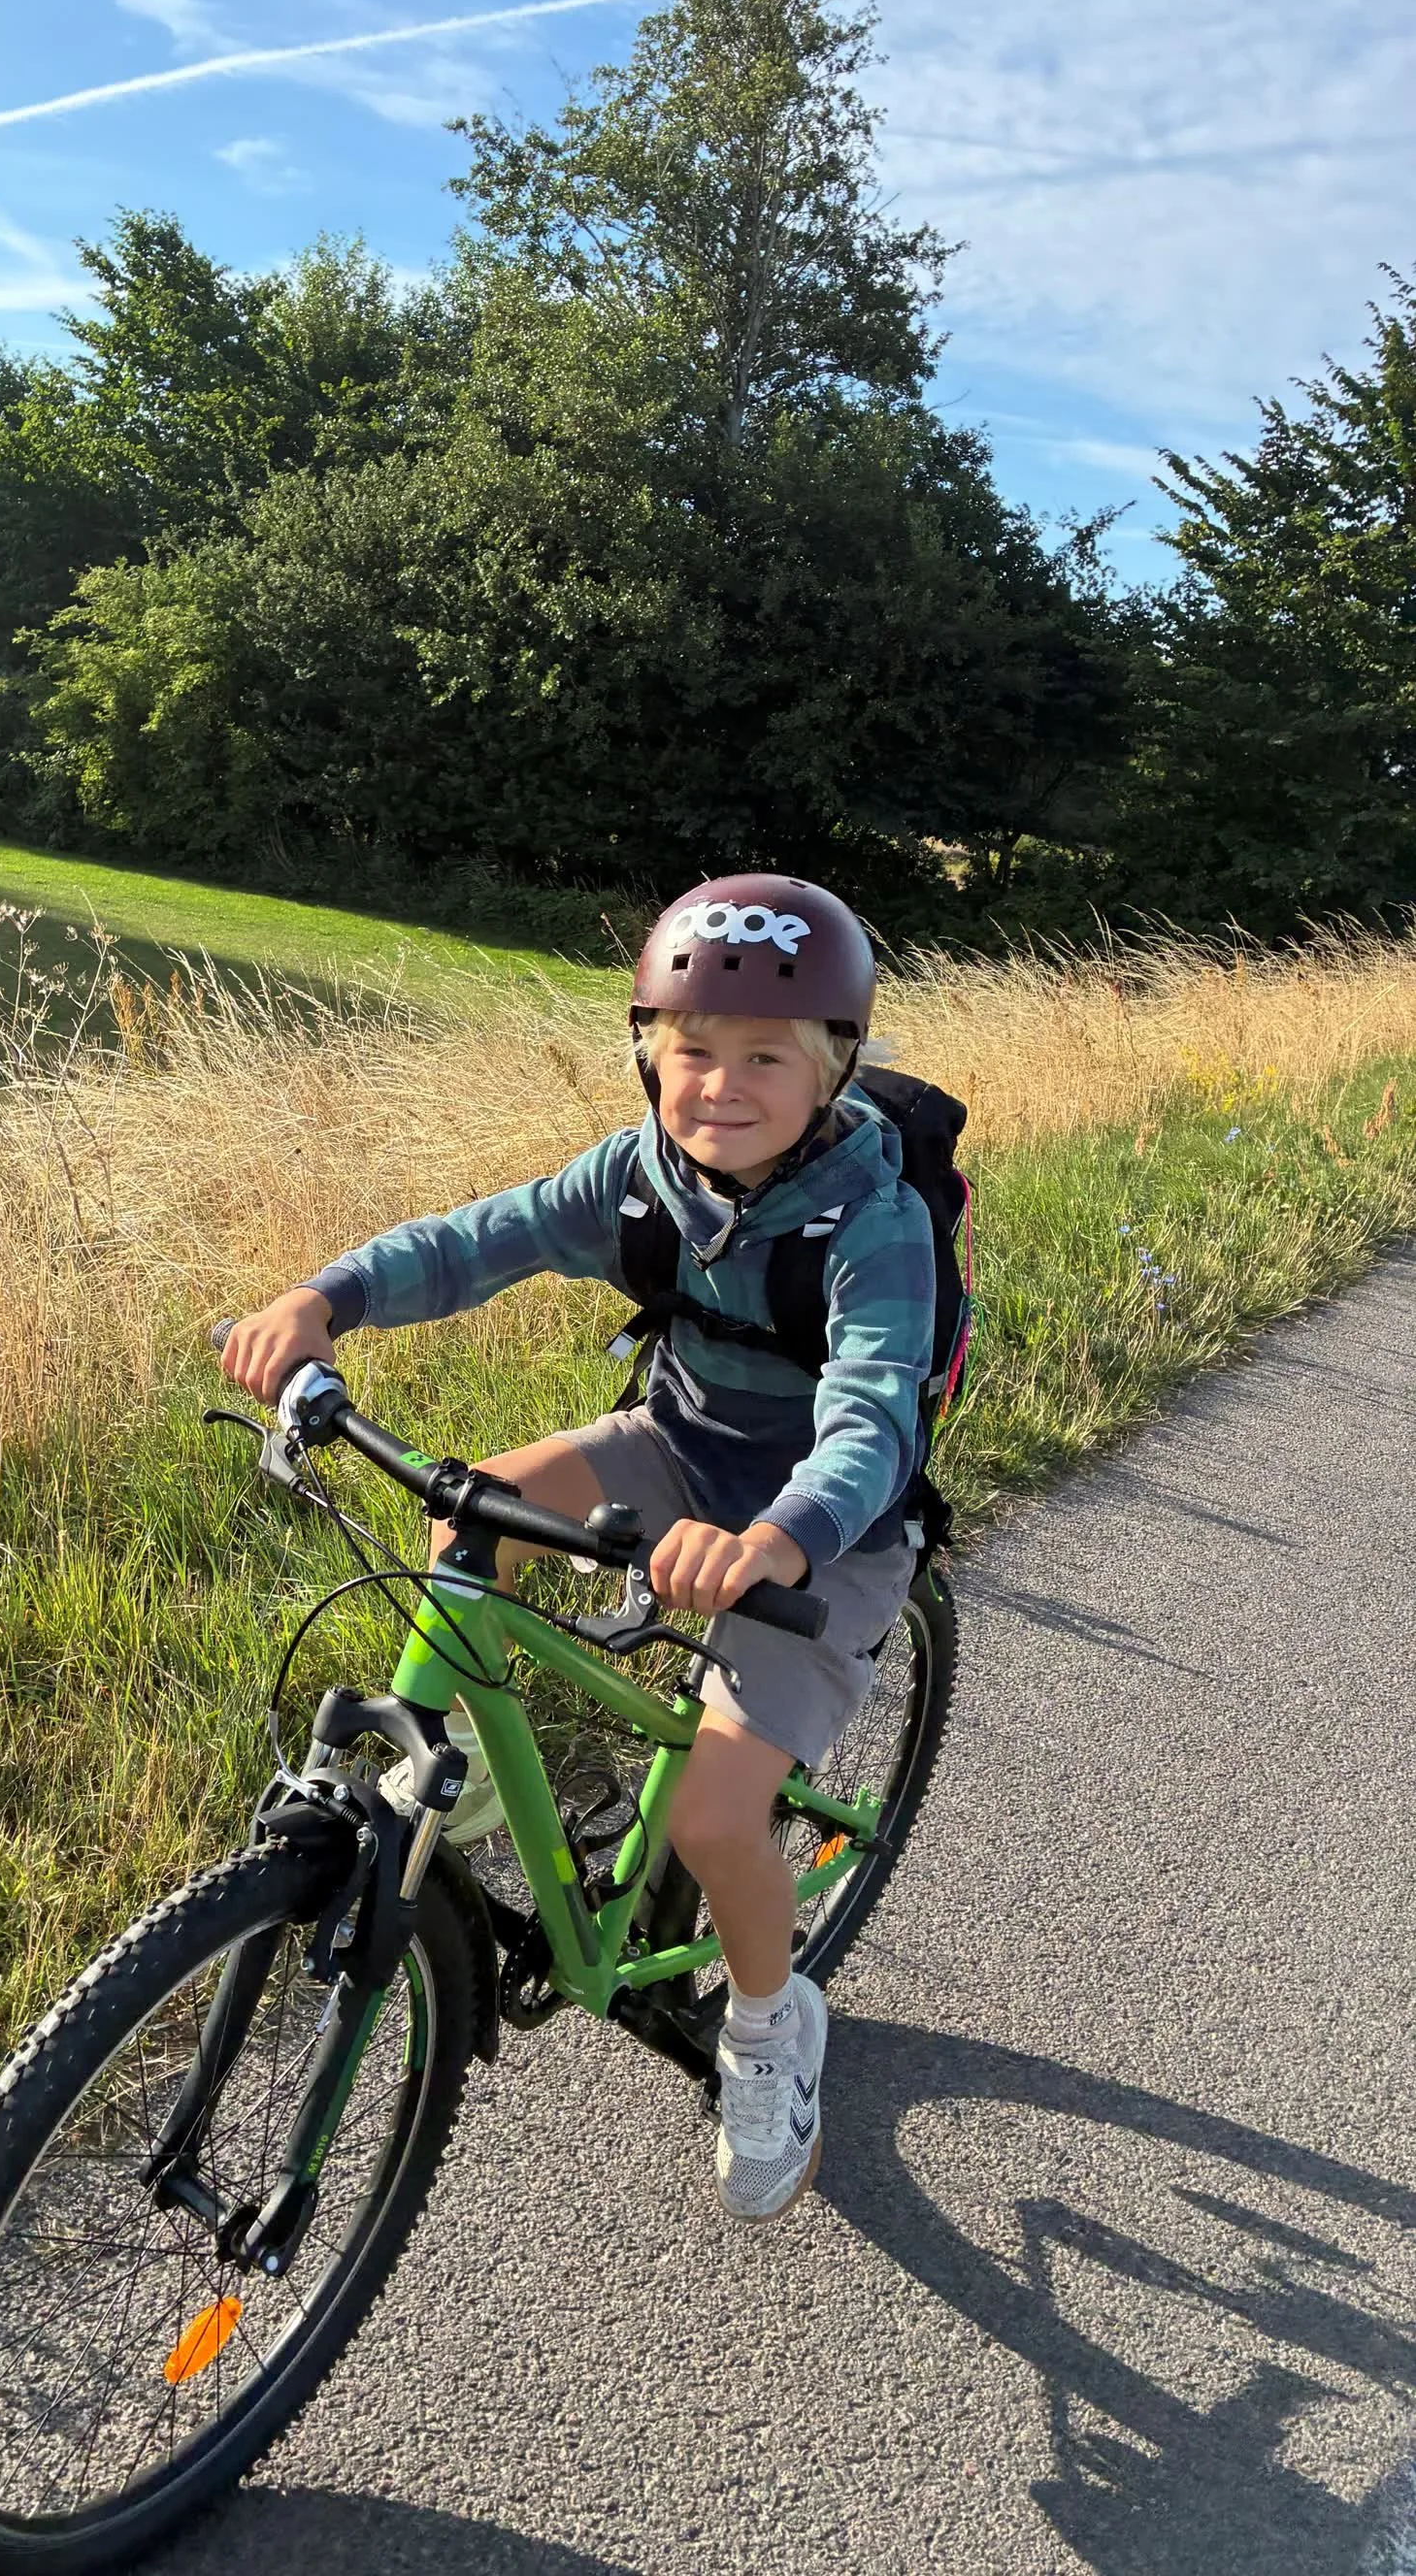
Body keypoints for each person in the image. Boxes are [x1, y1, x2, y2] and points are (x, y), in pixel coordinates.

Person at [218, 874, 936, 2222]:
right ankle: (467, 1777)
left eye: (766, 1058)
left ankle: (772, 2028)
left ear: (834, 1066)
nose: (722, 1086)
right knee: (472, 1508)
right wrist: (326, 1298)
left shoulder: (872, 1220)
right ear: (647, 1053)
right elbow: (477, 1242)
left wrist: (779, 1539)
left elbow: (873, 1414)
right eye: (693, 1051)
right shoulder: (639, 1176)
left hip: (821, 1536)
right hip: (676, 1446)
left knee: (712, 1816)